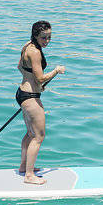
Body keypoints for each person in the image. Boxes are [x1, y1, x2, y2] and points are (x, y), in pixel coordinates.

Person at [16, 21, 65, 185]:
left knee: (30, 134)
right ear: (35, 35)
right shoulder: (35, 53)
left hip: (23, 92)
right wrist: (56, 71)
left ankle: (24, 167)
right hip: (30, 96)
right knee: (39, 136)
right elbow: (40, 77)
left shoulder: (27, 46)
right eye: (43, 38)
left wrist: (36, 84)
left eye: (49, 37)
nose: (47, 41)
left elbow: (20, 67)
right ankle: (29, 176)